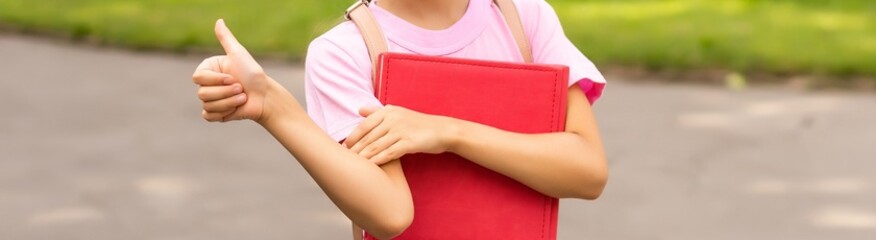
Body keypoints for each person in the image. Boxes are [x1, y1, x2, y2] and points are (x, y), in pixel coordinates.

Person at [190, 0, 607, 238]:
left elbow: (587, 172)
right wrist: (274, 108)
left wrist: (448, 132)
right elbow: (390, 215)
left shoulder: (523, 16)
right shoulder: (346, 52)